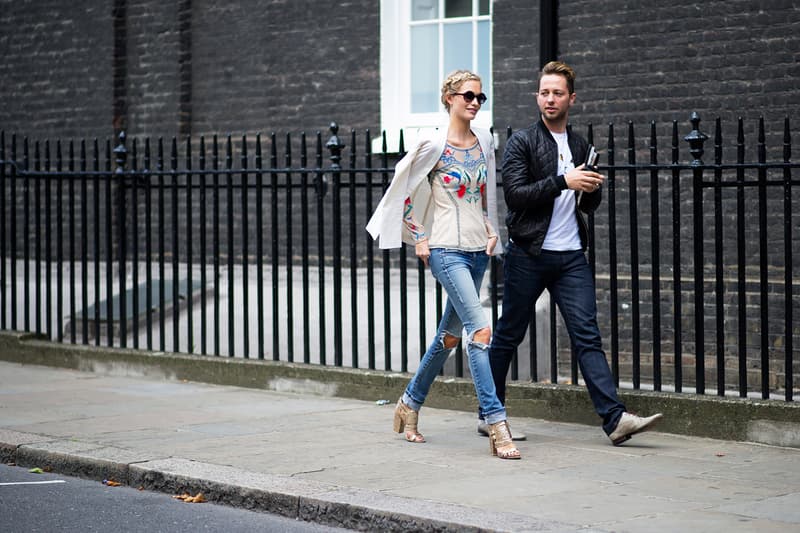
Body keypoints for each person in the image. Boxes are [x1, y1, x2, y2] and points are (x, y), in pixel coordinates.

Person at [483, 61, 662, 445]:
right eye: (544, 92)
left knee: (586, 334)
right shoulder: (522, 142)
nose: (550, 99)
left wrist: (592, 187)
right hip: (528, 254)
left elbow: (586, 206)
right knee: (508, 335)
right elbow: (515, 196)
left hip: (570, 257)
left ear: (571, 98)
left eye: (557, 93)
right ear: (537, 96)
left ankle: (615, 420)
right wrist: (563, 180)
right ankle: (489, 412)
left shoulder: (580, 145)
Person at [367, 70, 520, 459]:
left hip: (476, 251)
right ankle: (497, 423)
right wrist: (419, 235)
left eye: (480, 98)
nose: (474, 102)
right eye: (468, 95)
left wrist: (490, 229)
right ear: (449, 98)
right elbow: (401, 194)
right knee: (480, 332)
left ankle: (409, 404)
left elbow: (484, 194)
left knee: (449, 337)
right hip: (445, 251)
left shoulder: (484, 140)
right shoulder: (432, 143)